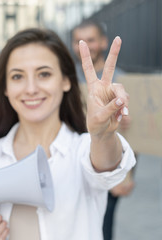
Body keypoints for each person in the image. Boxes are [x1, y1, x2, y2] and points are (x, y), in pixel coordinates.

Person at [0, 28, 136, 239]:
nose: (31, 88)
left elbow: (107, 168)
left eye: (44, 74)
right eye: (17, 76)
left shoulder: (83, 150)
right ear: (5, 87)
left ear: (66, 81)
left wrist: (103, 135)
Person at [72, 19, 136, 240]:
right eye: (80, 41)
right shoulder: (66, 78)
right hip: (76, 164)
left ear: (103, 42)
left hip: (109, 161)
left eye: (91, 39)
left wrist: (125, 177)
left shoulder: (122, 80)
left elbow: (137, 134)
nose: (86, 46)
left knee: (103, 227)